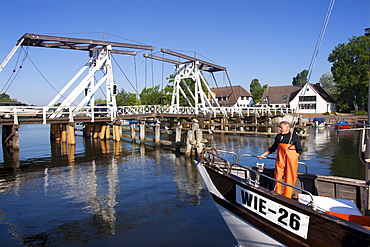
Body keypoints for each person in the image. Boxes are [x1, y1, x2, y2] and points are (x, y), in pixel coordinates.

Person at [257, 121, 302, 198]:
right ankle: (277, 194)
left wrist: (294, 156)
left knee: (290, 177)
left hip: (291, 159)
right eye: (280, 127)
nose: (279, 129)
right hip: (280, 158)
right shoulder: (278, 136)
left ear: (287, 128)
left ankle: (287, 196)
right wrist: (263, 154)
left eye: (281, 127)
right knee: (278, 175)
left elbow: (299, 149)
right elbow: (273, 148)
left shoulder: (294, 136)